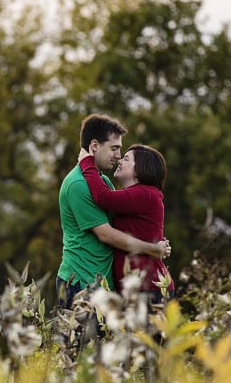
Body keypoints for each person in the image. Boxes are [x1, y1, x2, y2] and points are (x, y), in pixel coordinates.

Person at [57, 115, 169, 309]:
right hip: (81, 283)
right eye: (114, 148)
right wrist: (153, 248)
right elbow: (106, 234)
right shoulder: (78, 184)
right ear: (94, 146)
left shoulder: (103, 182)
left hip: (104, 285)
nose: (118, 156)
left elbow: (127, 217)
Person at [78, 142, 174, 304]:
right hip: (137, 288)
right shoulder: (136, 195)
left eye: (127, 159)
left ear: (141, 169)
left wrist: (87, 163)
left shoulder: (146, 194)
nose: (120, 160)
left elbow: (103, 197)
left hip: (148, 288)